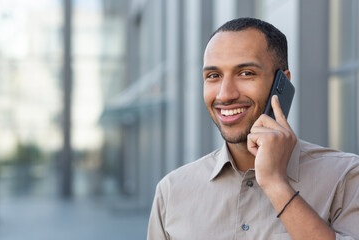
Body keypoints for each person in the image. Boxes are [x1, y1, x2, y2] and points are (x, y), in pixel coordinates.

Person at [147, 17, 359, 239]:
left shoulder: (345, 178)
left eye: (246, 73)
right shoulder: (171, 191)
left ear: (282, 83)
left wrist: (276, 184)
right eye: (213, 76)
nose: (225, 94)